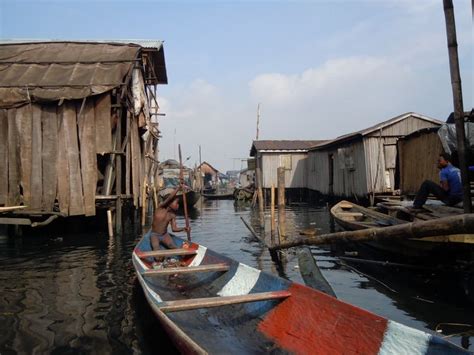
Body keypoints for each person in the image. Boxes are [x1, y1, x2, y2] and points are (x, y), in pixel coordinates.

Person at [150, 185, 190, 252]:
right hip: (155, 235)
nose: (178, 205)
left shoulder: (172, 215)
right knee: (156, 249)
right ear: (169, 203)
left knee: (174, 247)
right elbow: (170, 198)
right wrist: (178, 188)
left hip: (164, 234)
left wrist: (184, 228)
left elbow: (174, 229)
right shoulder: (160, 208)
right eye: (177, 203)